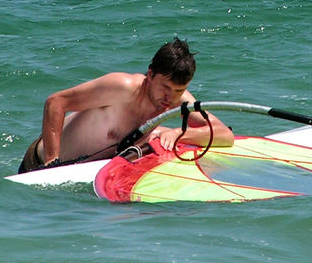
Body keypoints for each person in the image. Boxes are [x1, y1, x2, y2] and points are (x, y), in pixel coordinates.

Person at [18, 38, 234, 173]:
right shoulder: (121, 88)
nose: (170, 98)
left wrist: (180, 134)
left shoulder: (179, 99)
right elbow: (56, 102)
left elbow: (225, 135)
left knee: (157, 136)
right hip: (38, 165)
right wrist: (50, 164)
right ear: (150, 74)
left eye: (178, 90)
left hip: (92, 172)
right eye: (165, 87)